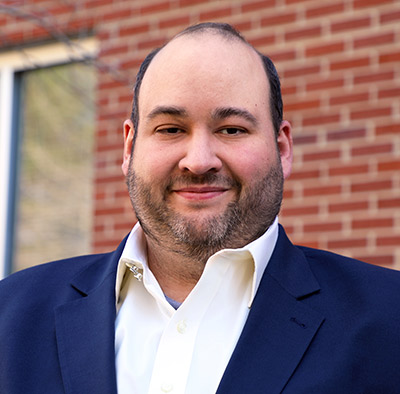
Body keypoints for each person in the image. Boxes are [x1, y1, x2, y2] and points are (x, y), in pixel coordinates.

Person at [1, 22, 400, 394]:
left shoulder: (389, 321)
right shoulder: (11, 316)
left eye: (232, 129)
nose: (199, 160)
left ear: (282, 149)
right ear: (129, 148)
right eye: (171, 129)